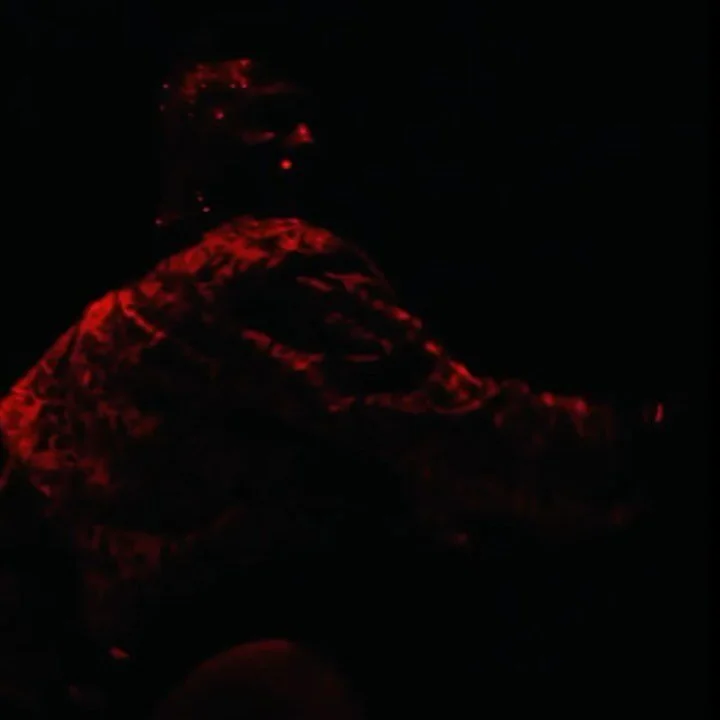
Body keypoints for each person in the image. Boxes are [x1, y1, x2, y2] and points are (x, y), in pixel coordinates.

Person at [0, 56, 664, 717]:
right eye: (270, 120)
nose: (307, 140)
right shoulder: (269, 262)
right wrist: (640, 443)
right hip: (281, 660)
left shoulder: (93, 330)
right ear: (203, 148)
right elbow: (447, 424)